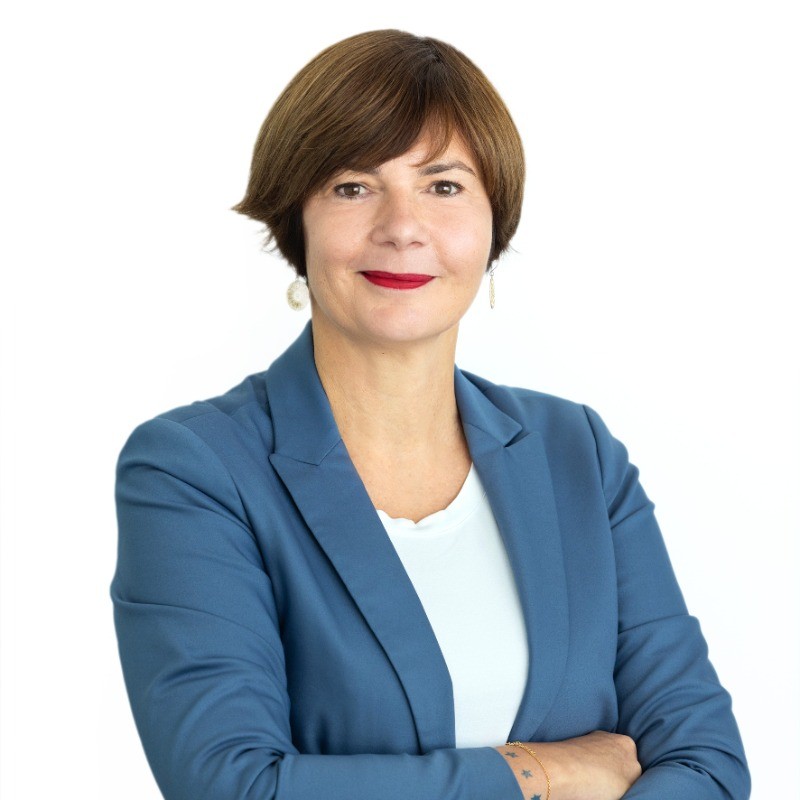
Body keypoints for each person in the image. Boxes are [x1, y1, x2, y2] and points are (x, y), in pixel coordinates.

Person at [111, 29, 749, 800]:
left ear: (493, 222)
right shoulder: (194, 469)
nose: (402, 226)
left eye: (443, 187)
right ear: (295, 220)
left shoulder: (575, 453)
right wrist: (538, 774)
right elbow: (235, 787)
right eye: (353, 187)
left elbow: (706, 766)